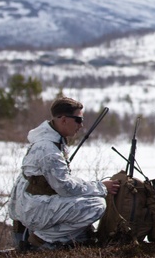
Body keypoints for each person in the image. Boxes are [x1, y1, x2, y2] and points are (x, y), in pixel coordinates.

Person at [8, 96, 119, 250]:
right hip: (34, 208)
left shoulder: (50, 141)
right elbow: (65, 187)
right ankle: (41, 239)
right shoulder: (48, 149)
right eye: (78, 120)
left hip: (32, 204)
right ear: (64, 119)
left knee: (86, 207)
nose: (81, 125)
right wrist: (101, 188)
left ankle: (58, 237)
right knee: (96, 205)